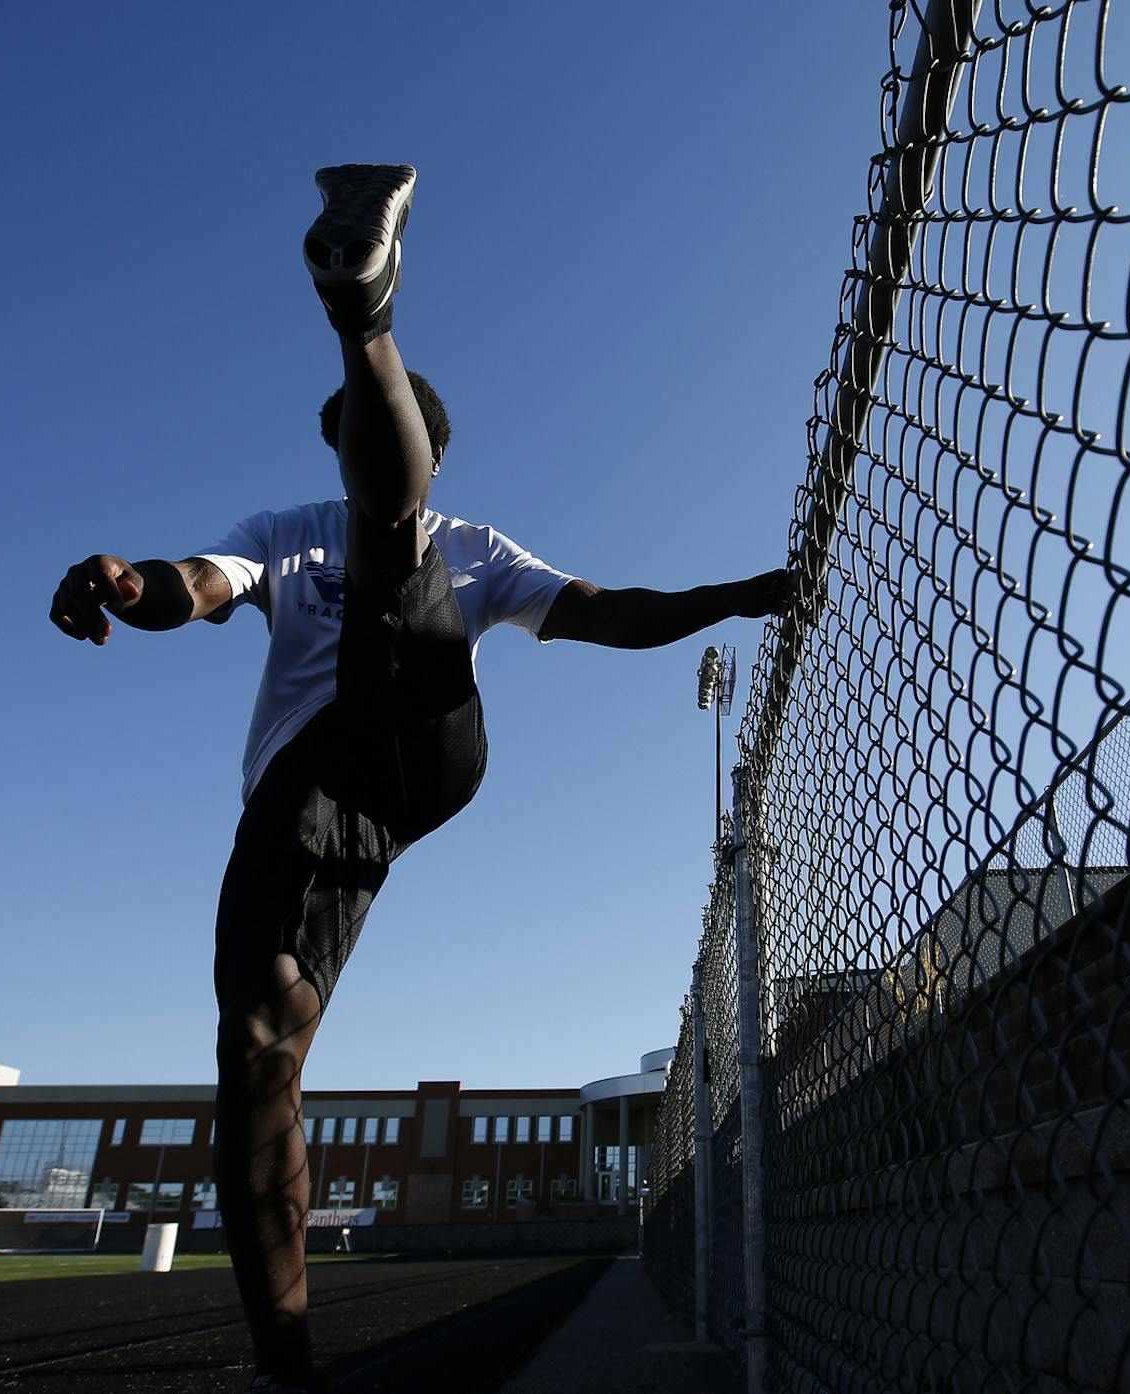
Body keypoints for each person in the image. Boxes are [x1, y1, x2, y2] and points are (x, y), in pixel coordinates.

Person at [47, 165, 790, 1394]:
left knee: (400, 573)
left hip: (424, 746)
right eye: (349, 433)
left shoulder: (471, 546)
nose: (355, 457)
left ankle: (365, 303)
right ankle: (287, 1365)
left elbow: (605, 610)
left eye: (372, 431)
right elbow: (201, 582)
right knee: (252, 1052)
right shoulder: (285, 529)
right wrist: (133, 583)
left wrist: (736, 596)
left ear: (418, 448)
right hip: (307, 798)